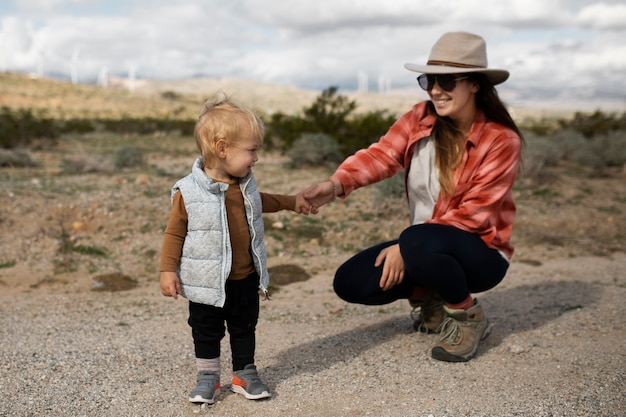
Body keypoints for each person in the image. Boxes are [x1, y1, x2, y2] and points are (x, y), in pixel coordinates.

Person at [302, 31, 524, 362]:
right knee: (350, 282)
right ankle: (432, 297)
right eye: (429, 79)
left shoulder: (501, 140)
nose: (435, 89)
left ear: (475, 84)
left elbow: (474, 215)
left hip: (481, 254)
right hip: (427, 245)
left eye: (447, 81)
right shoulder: (420, 117)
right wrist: (334, 185)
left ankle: (468, 317)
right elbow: (381, 156)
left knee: (418, 242)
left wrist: (407, 246)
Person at [159, 93, 310, 404]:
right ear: (223, 148)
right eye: (252, 151)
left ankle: (245, 373)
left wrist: (293, 202)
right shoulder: (188, 192)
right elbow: (174, 233)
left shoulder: (245, 185)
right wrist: (167, 270)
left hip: (244, 277)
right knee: (205, 330)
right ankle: (208, 378)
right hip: (206, 281)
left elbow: (261, 201)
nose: (256, 158)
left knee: (244, 327)